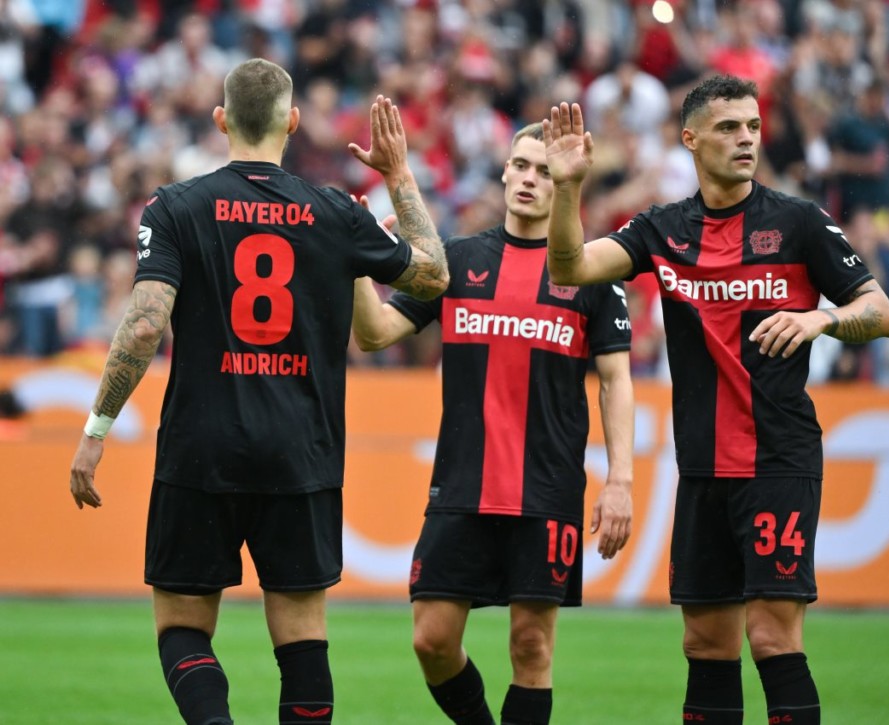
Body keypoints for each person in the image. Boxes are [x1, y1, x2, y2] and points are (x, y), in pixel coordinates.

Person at [68, 58, 448, 725]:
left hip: (201, 446)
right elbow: (433, 277)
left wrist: (97, 427)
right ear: (293, 122)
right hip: (301, 449)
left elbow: (145, 321)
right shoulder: (333, 209)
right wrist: (399, 175)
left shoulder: (174, 207)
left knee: (183, 626)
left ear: (220, 120)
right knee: (302, 634)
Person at [543, 76, 889, 725]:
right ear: (690, 138)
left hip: (778, 459)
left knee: (771, 636)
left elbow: (880, 311)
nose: (745, 139)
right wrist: (567, 188)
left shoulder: (798, 221)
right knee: (704, 642)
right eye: (730, 127)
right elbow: (568, 267)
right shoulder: (662, 228)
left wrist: (823, 320)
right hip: (703, 468)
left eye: (753, 127)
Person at [350, 122, 635, 725]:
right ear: (504, 173)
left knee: (531, 647)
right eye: (521, 166)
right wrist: (355, 262)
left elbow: (616, 381)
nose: (530, 179)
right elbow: (374, 335)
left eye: (544, 170)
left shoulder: (591, 273)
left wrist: (620, 482)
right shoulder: (455, 261)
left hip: (547, 487)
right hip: (462, 485)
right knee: (431, 639)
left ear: (563, 183)